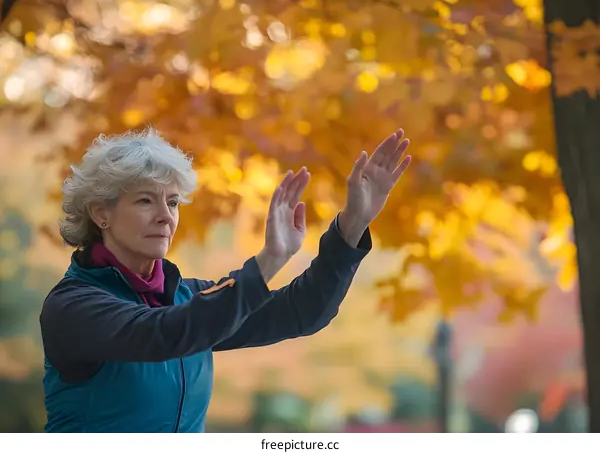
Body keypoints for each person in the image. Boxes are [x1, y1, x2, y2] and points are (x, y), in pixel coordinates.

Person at [39, 126, 411, 433]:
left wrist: (353, 225)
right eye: (144, 201)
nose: (166, 216)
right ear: (100, 213)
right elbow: (164, 333)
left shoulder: (189, 297)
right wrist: (269, 260)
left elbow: (302, 311)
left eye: (171, 202)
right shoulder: (73, 306)